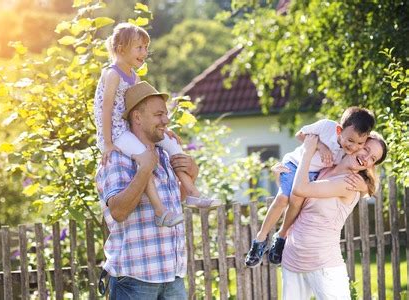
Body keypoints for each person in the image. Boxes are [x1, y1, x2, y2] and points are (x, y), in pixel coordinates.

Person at [94, 23, 218, 227]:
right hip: (115, 132)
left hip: (128, 129)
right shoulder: (113, 73)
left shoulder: (134, 77)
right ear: (121, 48)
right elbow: (106, 109)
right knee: (145, 159)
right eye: (139, 47)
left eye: (145, 48)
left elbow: (141, 109)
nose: (144, 53)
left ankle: (193, 193)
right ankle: (160, 211)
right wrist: (107, 142)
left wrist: (163, 129)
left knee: (171, 144)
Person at [96, 81, 198, 299]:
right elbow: (119, 212)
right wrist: (144, 170)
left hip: (172, 276)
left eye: (166, 114)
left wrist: (192, 175)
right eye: (159, 114)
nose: (166, 120)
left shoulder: (163, 154)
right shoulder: (116, 158)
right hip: (135, 279)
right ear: (138, 118)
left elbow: (174, 203)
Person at [245, 107, 375, 267]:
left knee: (296, 201)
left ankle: (281, 237)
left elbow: (366, 171)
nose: (353, 146)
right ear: (339, 130)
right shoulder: (327, 127)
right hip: (294, 164)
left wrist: (364, 186)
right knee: (282, 198)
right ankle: (260, 238)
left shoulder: (352, 152)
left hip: (312, 174)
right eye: (350, 140)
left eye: (359, 143)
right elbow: (300, 134)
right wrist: (320, 146)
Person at [280, 133, 387, 299]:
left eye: (372, 158)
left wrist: (308, 151)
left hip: (324, 265)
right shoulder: (324, 168)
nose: (366, 158)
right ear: (357, 143)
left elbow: (300, 188)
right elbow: (294, 197)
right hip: (292, 259)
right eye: (366, 149)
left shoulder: (349, 182)